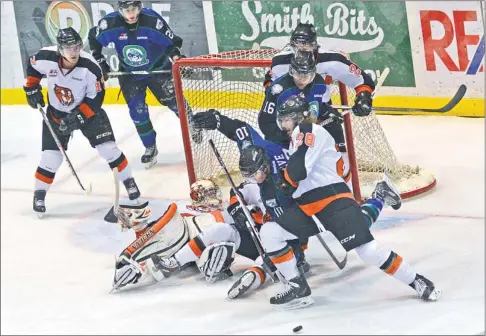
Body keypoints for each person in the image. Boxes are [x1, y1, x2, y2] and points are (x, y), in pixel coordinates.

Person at [258, 94, 441, 309]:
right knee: (270, 232)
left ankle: (416, 280)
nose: (283, 125)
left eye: (285, 120)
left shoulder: (306, 130)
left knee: (367, 250)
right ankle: (298, 289)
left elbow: (298, 170)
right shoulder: (301, 135)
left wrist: (285, 182)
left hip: (331, 200)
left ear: (297, 117)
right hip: (309, 207)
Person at [188, 112, 392, 299]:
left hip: (318, 194)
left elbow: (293, 219)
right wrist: (216, 120)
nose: (249, 177)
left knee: (355, 229)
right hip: (289, 195)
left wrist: (295, 253)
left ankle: (380, 195)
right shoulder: (255, 150)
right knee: (270, 227)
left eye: (253, 173)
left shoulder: (282, 177)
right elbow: (240, 130)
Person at [23, 27, 140, 217]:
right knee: (51, 157)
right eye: (69, 48)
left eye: (77, 47)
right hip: (56, 113)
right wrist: (31, 88)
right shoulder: (46, 56)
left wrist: (78, 117)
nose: (74, 52)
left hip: (88, 113)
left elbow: (97, 98)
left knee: (108, 150)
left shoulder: (90, 66)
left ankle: (129, 181)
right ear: (60, 48)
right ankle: (39, 194)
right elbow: (32, 67)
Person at [88, 1, 198, 169]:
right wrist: (100, 60)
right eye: (127, 10)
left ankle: (193, 123)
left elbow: (172, 43)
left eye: (134, 9)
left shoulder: (152, 21)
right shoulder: (110, 24)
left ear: (140, 7)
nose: (131, 14)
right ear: (120, 10)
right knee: (137, 112)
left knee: (175, 102)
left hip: (158, 69)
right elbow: (93, 39)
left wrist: (176, 57)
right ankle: (150, 146)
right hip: (130, 74)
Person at [258, 51, 353, 186]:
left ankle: (343, 195)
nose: (302, 80)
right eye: (298, 75)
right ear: (291, 71)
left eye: (306, 75)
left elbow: (317, 108)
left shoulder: (319, 84)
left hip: (306, 138)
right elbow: (265, 123)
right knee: (284, 180)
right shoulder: (278, 90)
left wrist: (328, 113)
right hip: (281, 142)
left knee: (335, 167)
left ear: (313, 72)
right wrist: (289, 135)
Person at [264, 22, 375, 118]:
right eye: (297, 45)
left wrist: (363, 97)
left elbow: (361, 80)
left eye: (306, 45)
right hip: (290, 113)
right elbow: (270, 82)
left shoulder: (333, 60)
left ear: (315, 45)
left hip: (323, 111)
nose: (301, 49)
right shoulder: (280, 61)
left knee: (335, 142)